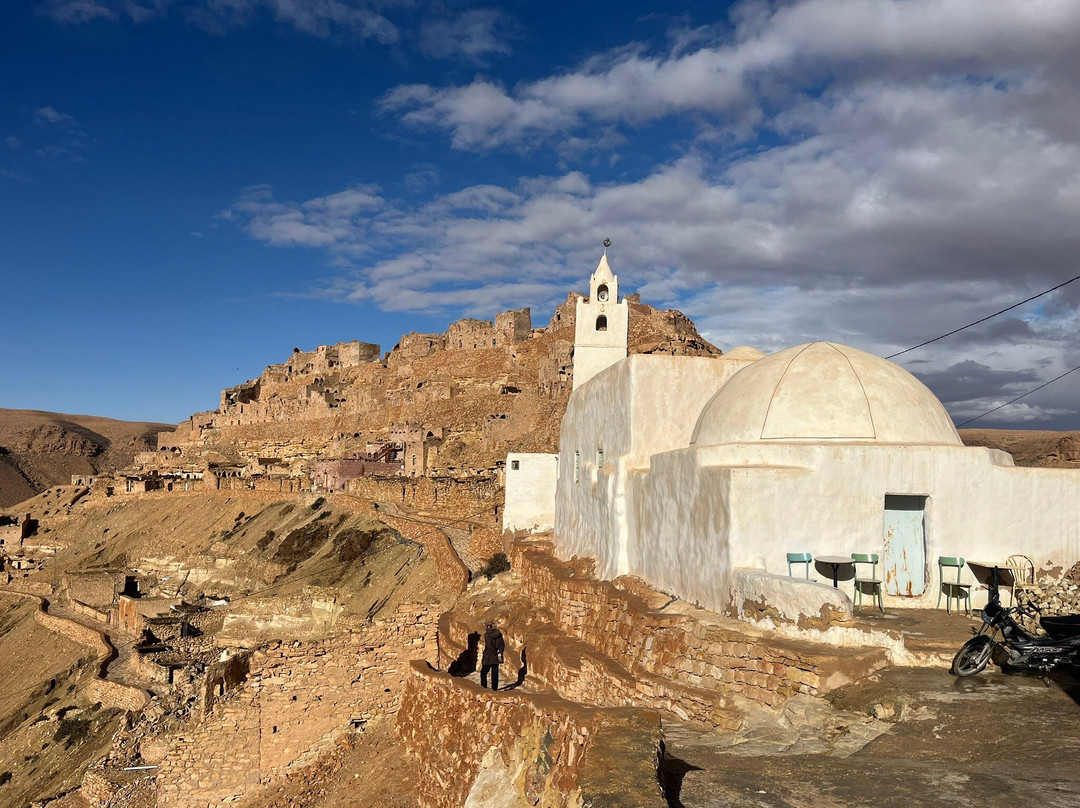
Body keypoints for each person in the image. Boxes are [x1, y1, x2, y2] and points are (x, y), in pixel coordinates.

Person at [480, 621, 505, 691]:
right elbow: (501, 645)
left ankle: (483, 688)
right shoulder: (499, 634)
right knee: (495, 674)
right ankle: (494, 689)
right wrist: (499, 654)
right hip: (496, 657)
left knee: (483, 672)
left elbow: (489, 646)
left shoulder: (487, 635)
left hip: (488, 656)